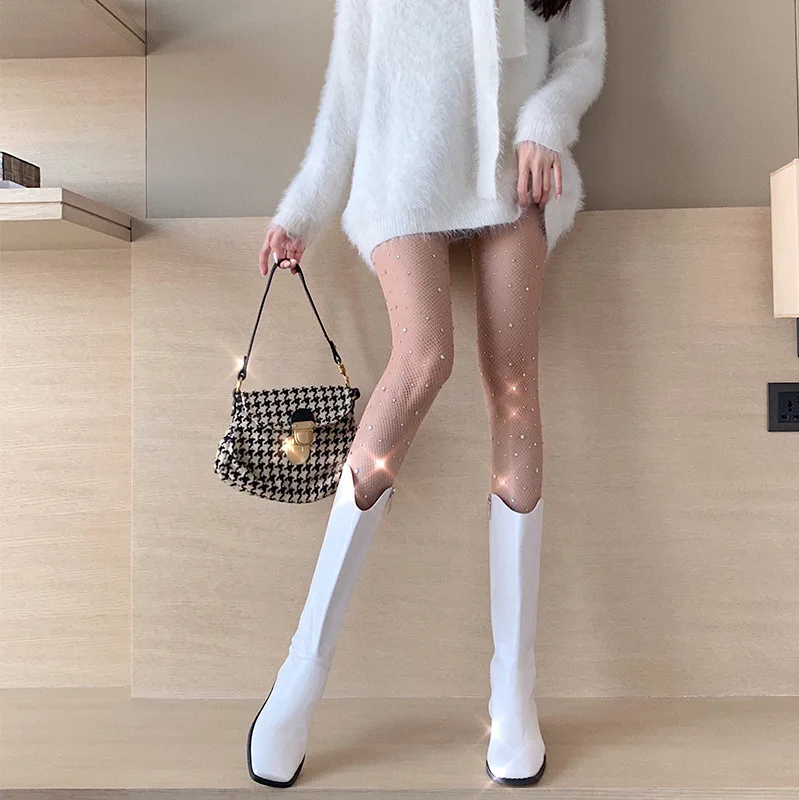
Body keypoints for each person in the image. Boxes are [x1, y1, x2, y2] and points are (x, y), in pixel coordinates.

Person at [248, 0, 606, 788]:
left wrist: (545, 120)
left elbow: (582, 55)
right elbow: (348, 91)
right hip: (403, 173)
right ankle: (302, 670)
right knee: (422, 361)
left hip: (513, 175)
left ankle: (513, 693)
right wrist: (302, 208)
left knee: (514, 384)